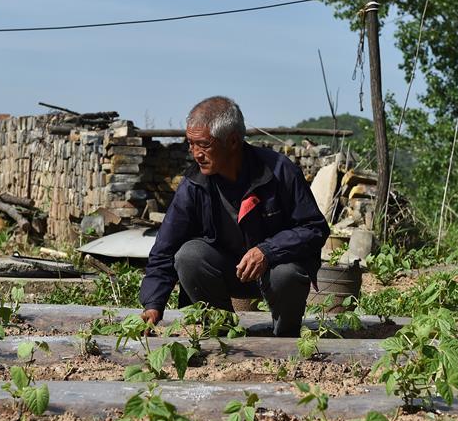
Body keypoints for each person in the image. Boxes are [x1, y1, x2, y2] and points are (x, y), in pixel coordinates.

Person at [139, 96, 329, 336]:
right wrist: (153, 304)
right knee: (189, 256)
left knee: (287, 274)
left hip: (274, 274)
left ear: (232, 142)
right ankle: (222, 331)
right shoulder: (194, 184)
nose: (195, 154)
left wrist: (268, 251)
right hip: (227, 273)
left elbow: (314, 228)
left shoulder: (279, 171)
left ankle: (285, 335)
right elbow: (165, 248)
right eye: (190, 144)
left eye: (203, 145)